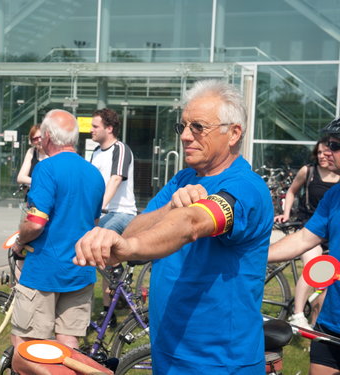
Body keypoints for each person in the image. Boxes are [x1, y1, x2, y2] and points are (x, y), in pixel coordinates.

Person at [75, 80, 273, 374]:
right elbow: (132, 232)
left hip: (220, 363)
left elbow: (192, 223)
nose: (186, 137)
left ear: (234, 133)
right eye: (183, 127)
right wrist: (168, 208)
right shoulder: (183, 179)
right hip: (169, 353)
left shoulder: (246, 188)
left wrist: (129, 247)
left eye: (198, 127)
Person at [10, 109, 104, 375]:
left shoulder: (46, 168)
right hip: (80, 269)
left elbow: (35, 223)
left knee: (27, 346)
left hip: (44, 269)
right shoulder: (94, 174)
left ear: (48, 136)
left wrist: (19, 239)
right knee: (69, 347)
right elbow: (94, 224)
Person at [269, 118, 340, 375]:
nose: (327, 151)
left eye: (334, 145)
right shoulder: (334, 196)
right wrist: (253, 256)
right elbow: (303, 239)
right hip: (331, 323)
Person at [274, 136, 339, 328]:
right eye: (319, 152)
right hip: (309, 225)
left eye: (332, 148)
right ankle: (298, 314)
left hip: (328, 232)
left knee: (326, 282)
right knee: (315, 266)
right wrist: (286, 214)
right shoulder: (309, 171)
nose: (324, 155)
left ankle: (314, 323)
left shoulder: (336, 180)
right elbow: (292, 191)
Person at [90, 108, 137, 326]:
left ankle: (121, 286)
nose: (91, 130)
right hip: (104, 213)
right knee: (98, 255)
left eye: (95, 126)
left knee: (95, 241)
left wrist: (99, 208)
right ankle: (109, 311)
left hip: (122, 212)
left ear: (109, 128)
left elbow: (116, 179)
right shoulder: (95, 153)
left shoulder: (120, 149)